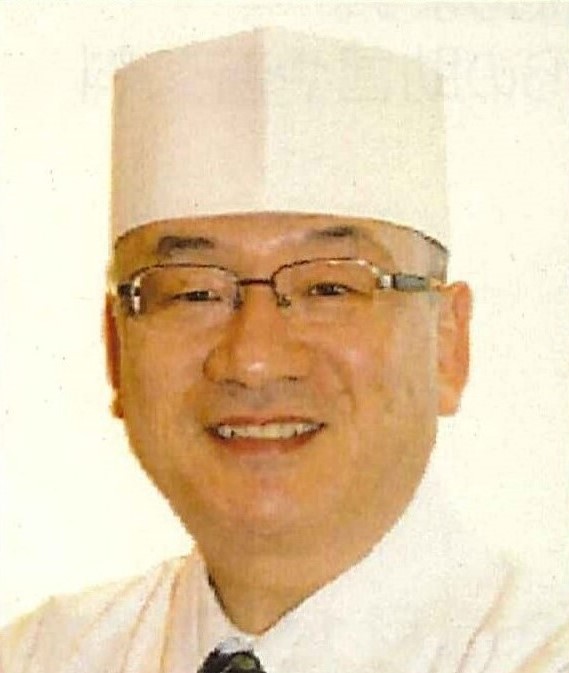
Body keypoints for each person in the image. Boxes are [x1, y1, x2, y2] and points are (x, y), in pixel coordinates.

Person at [1, 28, 568, 673]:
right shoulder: (39, 657)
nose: (254, 359)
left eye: (329, 287)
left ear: (447, 342)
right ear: (115, 348)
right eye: (192, 292)